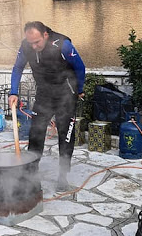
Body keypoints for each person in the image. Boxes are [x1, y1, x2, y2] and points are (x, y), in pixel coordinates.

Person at [8, 21, 86, 190]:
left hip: (66, 94)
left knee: (66, 136)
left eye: (37, 42)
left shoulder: (63, 45)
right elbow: (17, 67)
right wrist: (13, 92)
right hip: (44, 94)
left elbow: (80, 67)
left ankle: (63, 176)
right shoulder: (26, 46)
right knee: (36, 133)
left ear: (45, 35)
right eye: (31, 43)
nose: (34, 46)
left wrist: (80, 89)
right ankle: (31, 173)